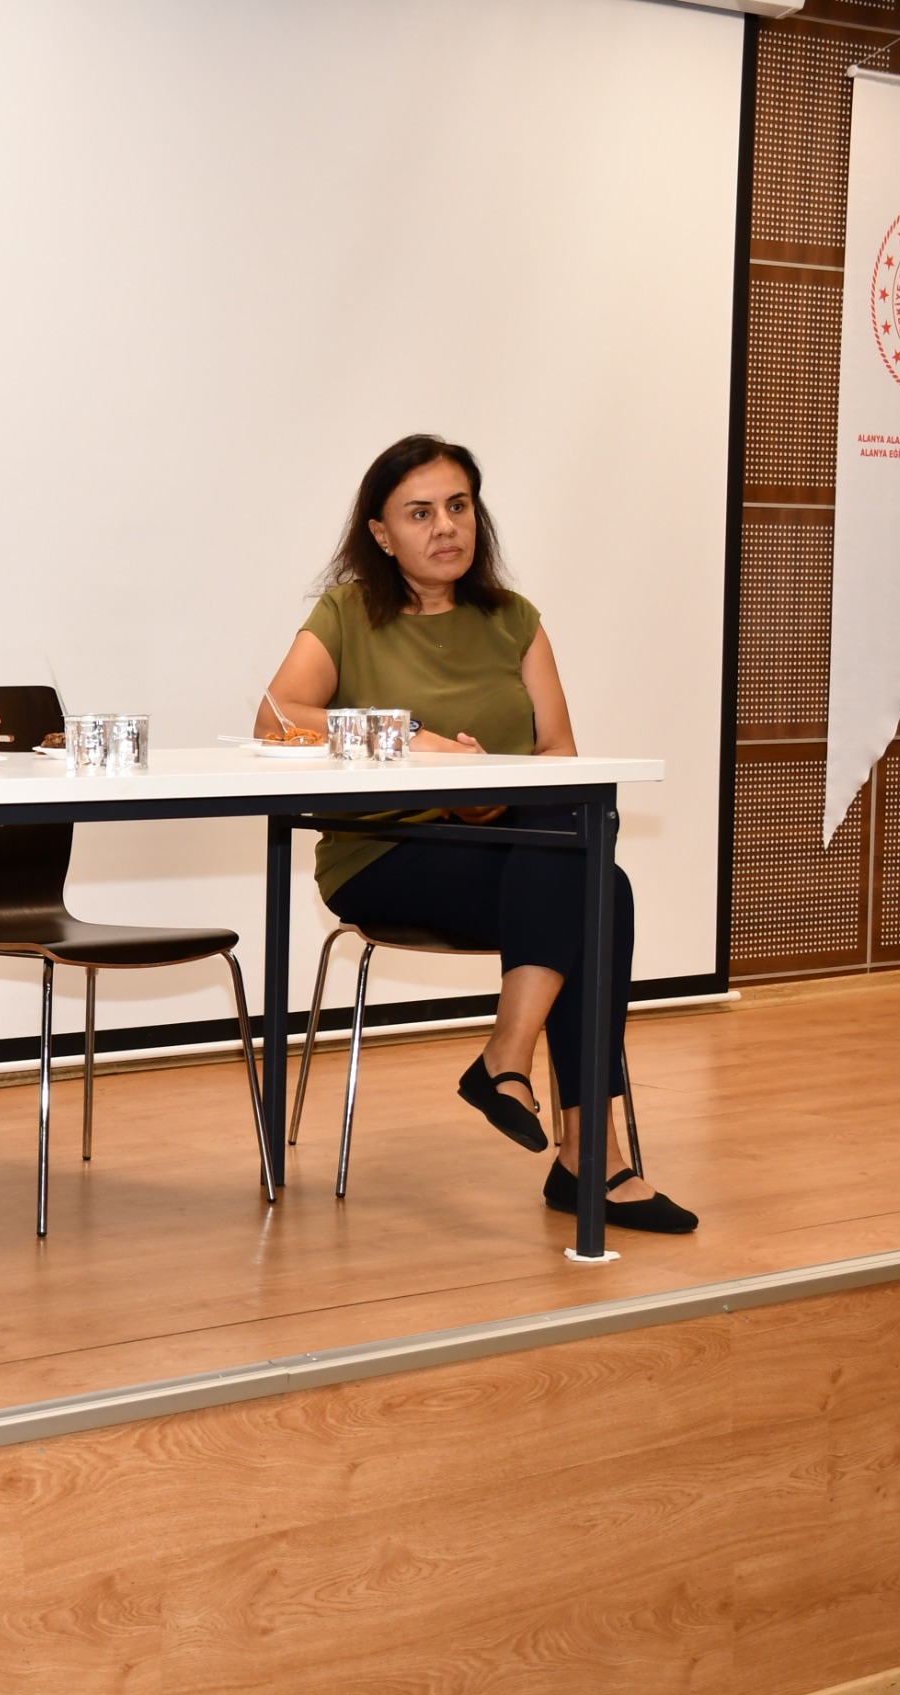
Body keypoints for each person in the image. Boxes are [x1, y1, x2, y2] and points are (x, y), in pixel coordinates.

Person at [256, 433, 696, 1234]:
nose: (446, 527)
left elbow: (558, 754)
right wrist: (415, 741)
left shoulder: (514, 620)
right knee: (597, 885)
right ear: (382, 534)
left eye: (458, 506)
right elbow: (279, 717)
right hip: (384, 854)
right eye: (420, 513)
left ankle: (517, 1072)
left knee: (586, 855)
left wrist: (490, 796)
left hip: (502, 848)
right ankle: (585, 1155)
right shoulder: (347, 614)